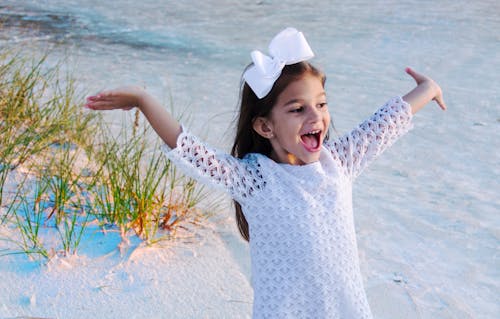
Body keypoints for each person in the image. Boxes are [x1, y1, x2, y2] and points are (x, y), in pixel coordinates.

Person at [85, 27, 446, 319]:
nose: (315, 117)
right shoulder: (255, 180)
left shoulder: (339, 162)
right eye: (297, 109)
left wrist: (426, 90)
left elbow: (383, 124)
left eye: (321, 104)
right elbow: (190, 149)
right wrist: (143, 100)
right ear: (265, 127)